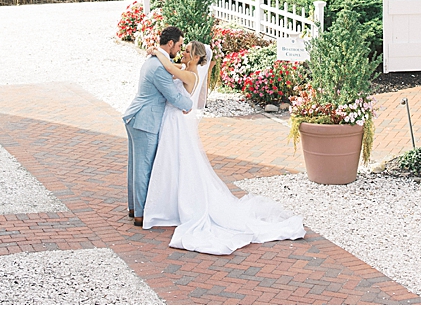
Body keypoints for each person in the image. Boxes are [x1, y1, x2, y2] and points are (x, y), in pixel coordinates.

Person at [142, 39, 306, 254]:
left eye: (188, 51)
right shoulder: (184, 69)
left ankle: (179, 204)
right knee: (172, 161)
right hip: (172, 121)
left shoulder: (191, 75)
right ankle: (169, 202)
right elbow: (172, 69)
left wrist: (156, 51)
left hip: (177, 123)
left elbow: (169, 67)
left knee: (179, 160)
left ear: (197, 57)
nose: (183, 52)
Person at [123, 26, 193, 227]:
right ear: (170, 44)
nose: (179, 50)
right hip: (145, 121)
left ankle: (134, 208)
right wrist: (189, 104)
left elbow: (174, 69)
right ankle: (141, 213)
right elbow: (173, 96)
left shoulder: (156, 61)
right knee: (143, 167)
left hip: (136, 117)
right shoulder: (159, 68)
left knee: (135, 166)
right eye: (179, 45)